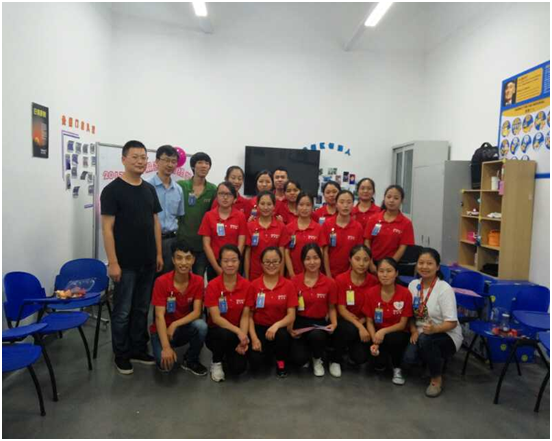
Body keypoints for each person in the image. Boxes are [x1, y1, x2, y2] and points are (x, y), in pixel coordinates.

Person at [100, 140, 163, 374]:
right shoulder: (112, 190)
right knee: (122, 311)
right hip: (124, 264)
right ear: (124, 159)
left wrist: (158, 253)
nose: (140, 161)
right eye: (135, 157)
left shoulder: (149, 189)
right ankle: (121, 353)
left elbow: (155, 223)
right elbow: (107, 229)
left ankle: (138, 348)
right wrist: (113, 262)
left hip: (148, 261)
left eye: (143, 157)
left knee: (141, 309)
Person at [403, 248, 462, 397]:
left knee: (426, 340)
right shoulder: (413, 285)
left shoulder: (444, 289)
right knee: (409, 359)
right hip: (421, 331)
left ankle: (436, 379)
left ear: (437, 267)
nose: (424, 267)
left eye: (429, 263)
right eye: (421, 263)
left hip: (446, 334)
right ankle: (428, 361)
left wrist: (435, 329)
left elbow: (452, 322)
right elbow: (410, 314)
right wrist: (414, 330)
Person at [150, 241, 208, 375]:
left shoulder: (198, 281)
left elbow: (197, 312)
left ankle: (191, 359)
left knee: (201, 326)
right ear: (173, 260)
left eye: (188, 258)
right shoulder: (161, 282)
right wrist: (166, 347)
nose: (183, 263)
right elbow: (159, 316)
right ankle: (166, 346)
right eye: (179, 258)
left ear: (193, 260)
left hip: (181, 327)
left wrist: (175, 324)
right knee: (166, 367)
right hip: (162, 330)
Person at [204, 244, 252, 382]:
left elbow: (245, 316)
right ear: (220, 262)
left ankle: (227, 353)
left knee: (238, 369)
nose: (230, 264)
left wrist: (242, 340)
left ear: (239, 261)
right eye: (226, 261)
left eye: (234, 260)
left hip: (237, 332)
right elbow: (216, 318)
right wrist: (238, 331)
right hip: (217, 332)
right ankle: (216, 361)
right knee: (224, 334)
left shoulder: (247, 285)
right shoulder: (213, 285)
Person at [247, 247, 298, 378]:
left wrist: (276, 325)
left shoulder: (288, 285)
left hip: (279, 329)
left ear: (281, 263)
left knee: (282, 335)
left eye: (275, 261)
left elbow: (291, 315)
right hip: (259, 328)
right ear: (261, 263)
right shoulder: (254, 285)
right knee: (256, 364)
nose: (271, 265)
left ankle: (281, 362)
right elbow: (249, 316)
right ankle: (268, 354)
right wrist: (254, 339)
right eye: (267, 262)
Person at [329, 245, 378, 377]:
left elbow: (373, 308)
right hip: (345, 322)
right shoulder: (340, 279)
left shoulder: (373, 281)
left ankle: (350, 352)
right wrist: (359, 326)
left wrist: (363, 322)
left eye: (366, 260)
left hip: (364, 321)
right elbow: (341, 309)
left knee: (360, 358)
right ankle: (335, 360)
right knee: (349, 330)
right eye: (357, 259)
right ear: (350, 259)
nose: (361, 264)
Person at [290, 244, 338, 377]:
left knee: (317, 336)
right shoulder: (294, 281)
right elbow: (291, 309)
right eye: (308, 258)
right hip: (299, 323)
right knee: (299, 360)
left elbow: (332, 308)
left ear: (321, 259)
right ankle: (307, 353)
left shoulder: (329, 283)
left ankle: (317, 359)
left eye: (316, 258)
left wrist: (334, 323)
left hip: (319, 324)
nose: (312, 262)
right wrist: (290, 328)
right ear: (302, 261)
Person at [364, 257, 412, 385]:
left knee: (393, 338)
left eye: (389, 271)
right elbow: (369, 321)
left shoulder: (405, 293)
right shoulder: (370, 293)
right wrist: (374, 340)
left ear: (396, 273)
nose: (384, 275)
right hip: (377, 335)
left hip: (397, 333)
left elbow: (402, 324)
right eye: (381, 271)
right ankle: (382, 358)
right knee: (377, 364)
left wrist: (383, 331)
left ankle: (397, 368)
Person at [177, 152, 217, 277]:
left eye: (207, 163)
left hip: (202, 246)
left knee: (198, 279)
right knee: (180, 278)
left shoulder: (213, 189)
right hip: (182, 242)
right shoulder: (181, 186)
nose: (204, 166)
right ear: (193, 166)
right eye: (200, 162)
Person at [199, 181, 247, 281]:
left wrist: (234, 262)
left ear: (234, 198)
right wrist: (217, 268)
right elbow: (206, 245)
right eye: (221, 194)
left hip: (234, 264)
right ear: (216, 196)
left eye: (228, 194)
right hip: (215, 263)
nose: (225, 197)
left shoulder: (240, 216)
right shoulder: (208, 216)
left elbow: (241, 244)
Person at [148, 145, 185, 274]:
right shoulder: (146, 186)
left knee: (168, 279)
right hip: (150, 241)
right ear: (157, 161)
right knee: (149, 280)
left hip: (171, 241)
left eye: (173, 161)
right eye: (166, 160)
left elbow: (179, 215)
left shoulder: (178, 189)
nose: (170, 164)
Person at [364, 185, 414, 273]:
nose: (391, 200)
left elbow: (402, 248)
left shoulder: (406, 223)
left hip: (392, 266)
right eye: (389, 197)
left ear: (402, 201)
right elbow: (367, 242)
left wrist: (389, 265)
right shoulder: (373, 219)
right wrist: (370, 264)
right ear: (384, 198)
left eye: (396, 198)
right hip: (372, 264)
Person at [244, 191, 289, 281]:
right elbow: (247, 254)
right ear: (257, 205)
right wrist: (247, 278)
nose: (265, 207)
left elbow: (282, 255)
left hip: (274, 274)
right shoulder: (250, 226)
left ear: (274, 206)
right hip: (255, 275)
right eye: (262, 204)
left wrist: (281, 277)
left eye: (269, 204)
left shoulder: (281, 227)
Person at [322, 190, 364, 278]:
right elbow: (325, 252)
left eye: (349, 202)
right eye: (341, 202)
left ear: (353, 205)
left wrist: (349, 275)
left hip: (350, 275)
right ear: (336, 204)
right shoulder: (327, 224)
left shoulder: (358, 227)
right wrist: (328, 275)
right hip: (330, 273)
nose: (345, 205)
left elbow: (357, 253)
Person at [284, 192, 324, 278]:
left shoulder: (319, 228)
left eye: (308, 205)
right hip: (293, 275)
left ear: (312, 207)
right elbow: (286, 253)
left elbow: (320, 252)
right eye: (301, 205)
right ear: (296, 207)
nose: (304, 208)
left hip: (313, 275)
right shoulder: (288, 228)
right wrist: (291, 274)